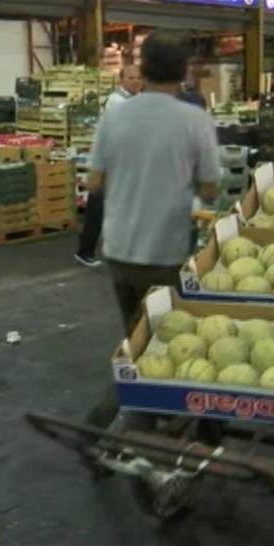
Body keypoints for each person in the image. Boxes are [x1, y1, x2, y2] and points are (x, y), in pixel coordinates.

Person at [86, 32, 220, 426]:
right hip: (164, 253)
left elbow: (94, 183)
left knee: (140, 333)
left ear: (141, 70)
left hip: (118, 251)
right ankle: (115, 422)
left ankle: (144, 414)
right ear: (184, 73)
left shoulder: (115, 115)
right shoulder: (193, 119)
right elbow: (210, 189)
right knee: (162, 341)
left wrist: (131, 181)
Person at [75, 64, 142, 266]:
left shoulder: (138, 100)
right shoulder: (116, 101)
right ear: (121, 80)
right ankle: (85, 250)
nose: (136, 81)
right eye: (131, 78)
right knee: (98, 208)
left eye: (139, 77)